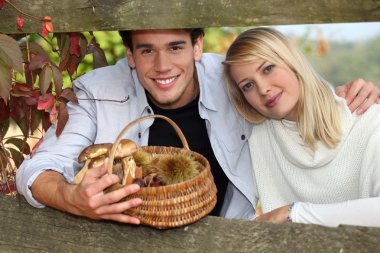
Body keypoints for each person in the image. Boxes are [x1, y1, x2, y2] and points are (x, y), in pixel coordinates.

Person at [16, 28, 380, 225]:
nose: (162, 65)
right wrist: (73, 199)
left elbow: (292, 96)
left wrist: (348, 94)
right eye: (146, 50)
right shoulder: (97, 93)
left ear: (197, 46)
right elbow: (35, 170)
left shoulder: (236, 81)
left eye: (175, 47)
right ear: (129, 54)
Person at [223, 27, 380, 227]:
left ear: (292, 61)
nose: (263, 89)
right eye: (248, 85)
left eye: (268, 68)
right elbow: (234, 219)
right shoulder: (255, 141)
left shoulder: (367, 118)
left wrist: (293, 213)